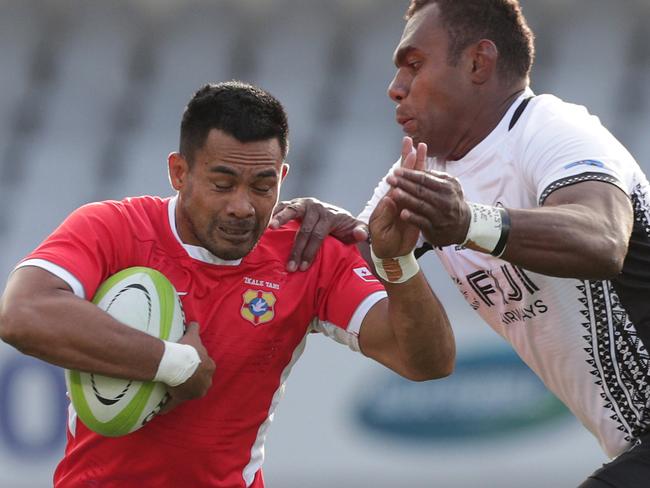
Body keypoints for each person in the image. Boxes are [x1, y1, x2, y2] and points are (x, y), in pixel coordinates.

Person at [0, 81, 455, 487]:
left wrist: (395, 262)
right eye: (223, 184)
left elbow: (427, 362)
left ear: (283, 177)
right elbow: (22, 313)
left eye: (262, 185)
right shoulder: (114, 229)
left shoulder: (306, 254)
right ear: (179, 172)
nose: (243, 206)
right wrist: (173, 364)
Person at [271, 1, 650, 486]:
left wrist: (470, 221)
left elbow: (603, 240)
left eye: (414, 64)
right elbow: (354, 263)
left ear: (477, 62)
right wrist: (323, 232)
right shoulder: (422, 169)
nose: (395, 88)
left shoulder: (552, 130)